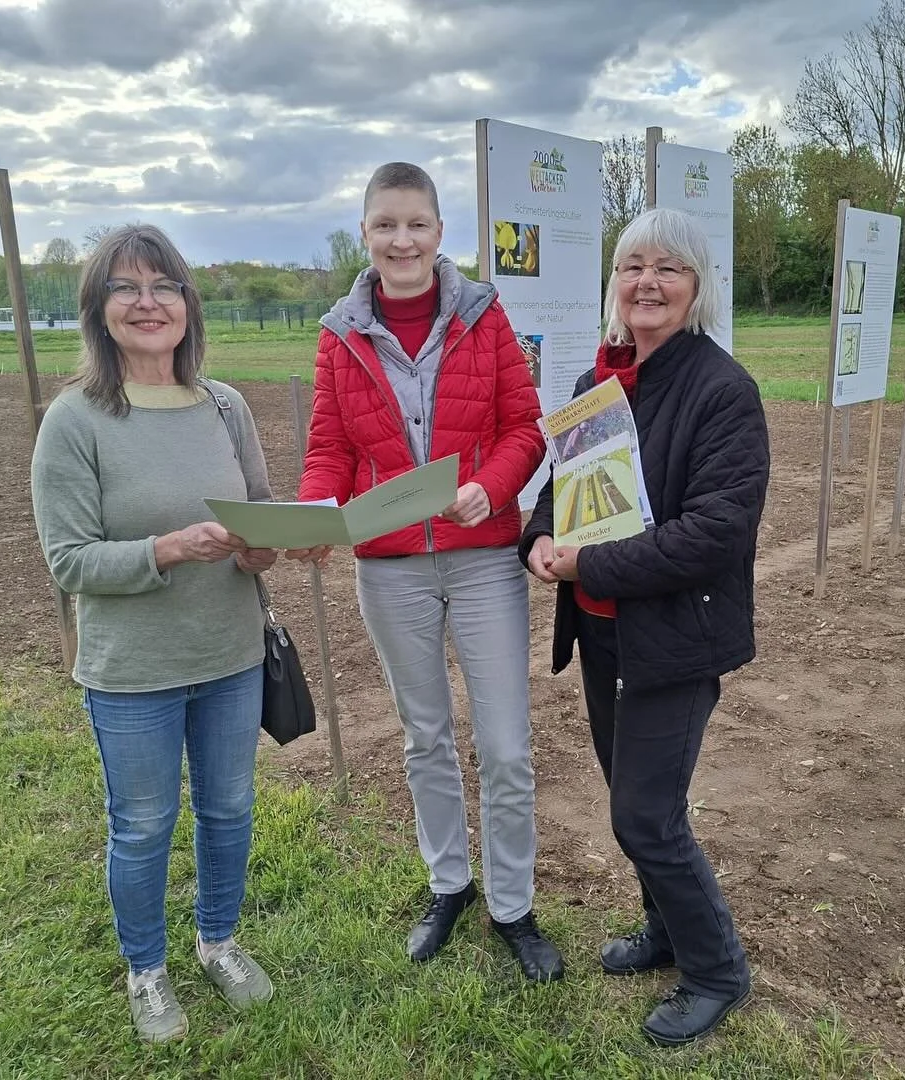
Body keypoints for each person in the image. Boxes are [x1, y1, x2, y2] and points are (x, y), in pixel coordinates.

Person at [287, 162, 564, 981]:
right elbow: (330, 448)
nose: (401, 240)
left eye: (416, 224)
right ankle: (451, 884)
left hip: (480, 560)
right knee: (427, 736)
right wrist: (312, 512)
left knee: (506, 746)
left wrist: (492, 486)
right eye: (384, 226)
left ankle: (513, 904)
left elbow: (526, 426)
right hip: (392, 568)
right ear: (365, 234)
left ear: (440, 234)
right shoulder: (339, 334)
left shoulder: (484, 315)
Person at [520, 208, 770, 1045]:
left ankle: (716, 969)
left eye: (668, 268)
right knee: (641, 801)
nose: (646, 283)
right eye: (632, 266)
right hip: (603, 634)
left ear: (697, 286)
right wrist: (539, 540)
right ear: (613, 282)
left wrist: (587, 565)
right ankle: (665, 932)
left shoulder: (723, 389)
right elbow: (563, 491)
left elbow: (715, 533)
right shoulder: (604, 381)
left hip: (676, 638)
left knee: (643, 818)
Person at [31, 224, 276, 1043]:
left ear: (187, 303)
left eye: (164, 286)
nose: (148, 303)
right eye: (126, 289)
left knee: (230, 808)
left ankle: (218, 942)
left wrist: (270, 544)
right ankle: (147, 969)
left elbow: (259, 518)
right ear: (99, 311)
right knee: (141, 824)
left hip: (231, 654)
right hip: (132, 669)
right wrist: (166, 550)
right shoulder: (75, 420)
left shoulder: (225, 405)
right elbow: (68, 561)